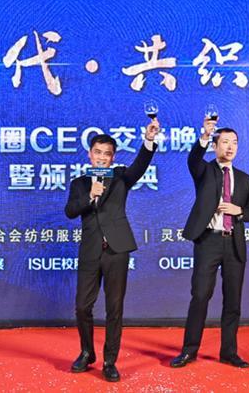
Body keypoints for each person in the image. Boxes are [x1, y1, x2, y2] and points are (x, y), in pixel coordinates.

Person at [65, 118, 159, 382]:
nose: (102, 157)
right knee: (82, 307)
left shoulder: (120, 177)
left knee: (114, 308)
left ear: (113, 157)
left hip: (117, 250)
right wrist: (90, 196)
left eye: (107, 154)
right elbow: (70, 211)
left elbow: (140, 165)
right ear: (90, 154)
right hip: (90, 251)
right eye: (98, 152)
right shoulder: (80, 183)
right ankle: (87, 352)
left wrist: (149, 140)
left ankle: (109, 361)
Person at [170, 116, 249, 369]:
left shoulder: (245, 179)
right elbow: (193, 159)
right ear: (215, 146)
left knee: (233, 301)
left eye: (234, 142)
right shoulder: (204, 171)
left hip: (234, 243)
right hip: (208, 241)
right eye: (225, 142)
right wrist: (205, 135)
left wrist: (238, 211)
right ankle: (189, 351)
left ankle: (229, 352)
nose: (230, 147)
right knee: (200, 295)